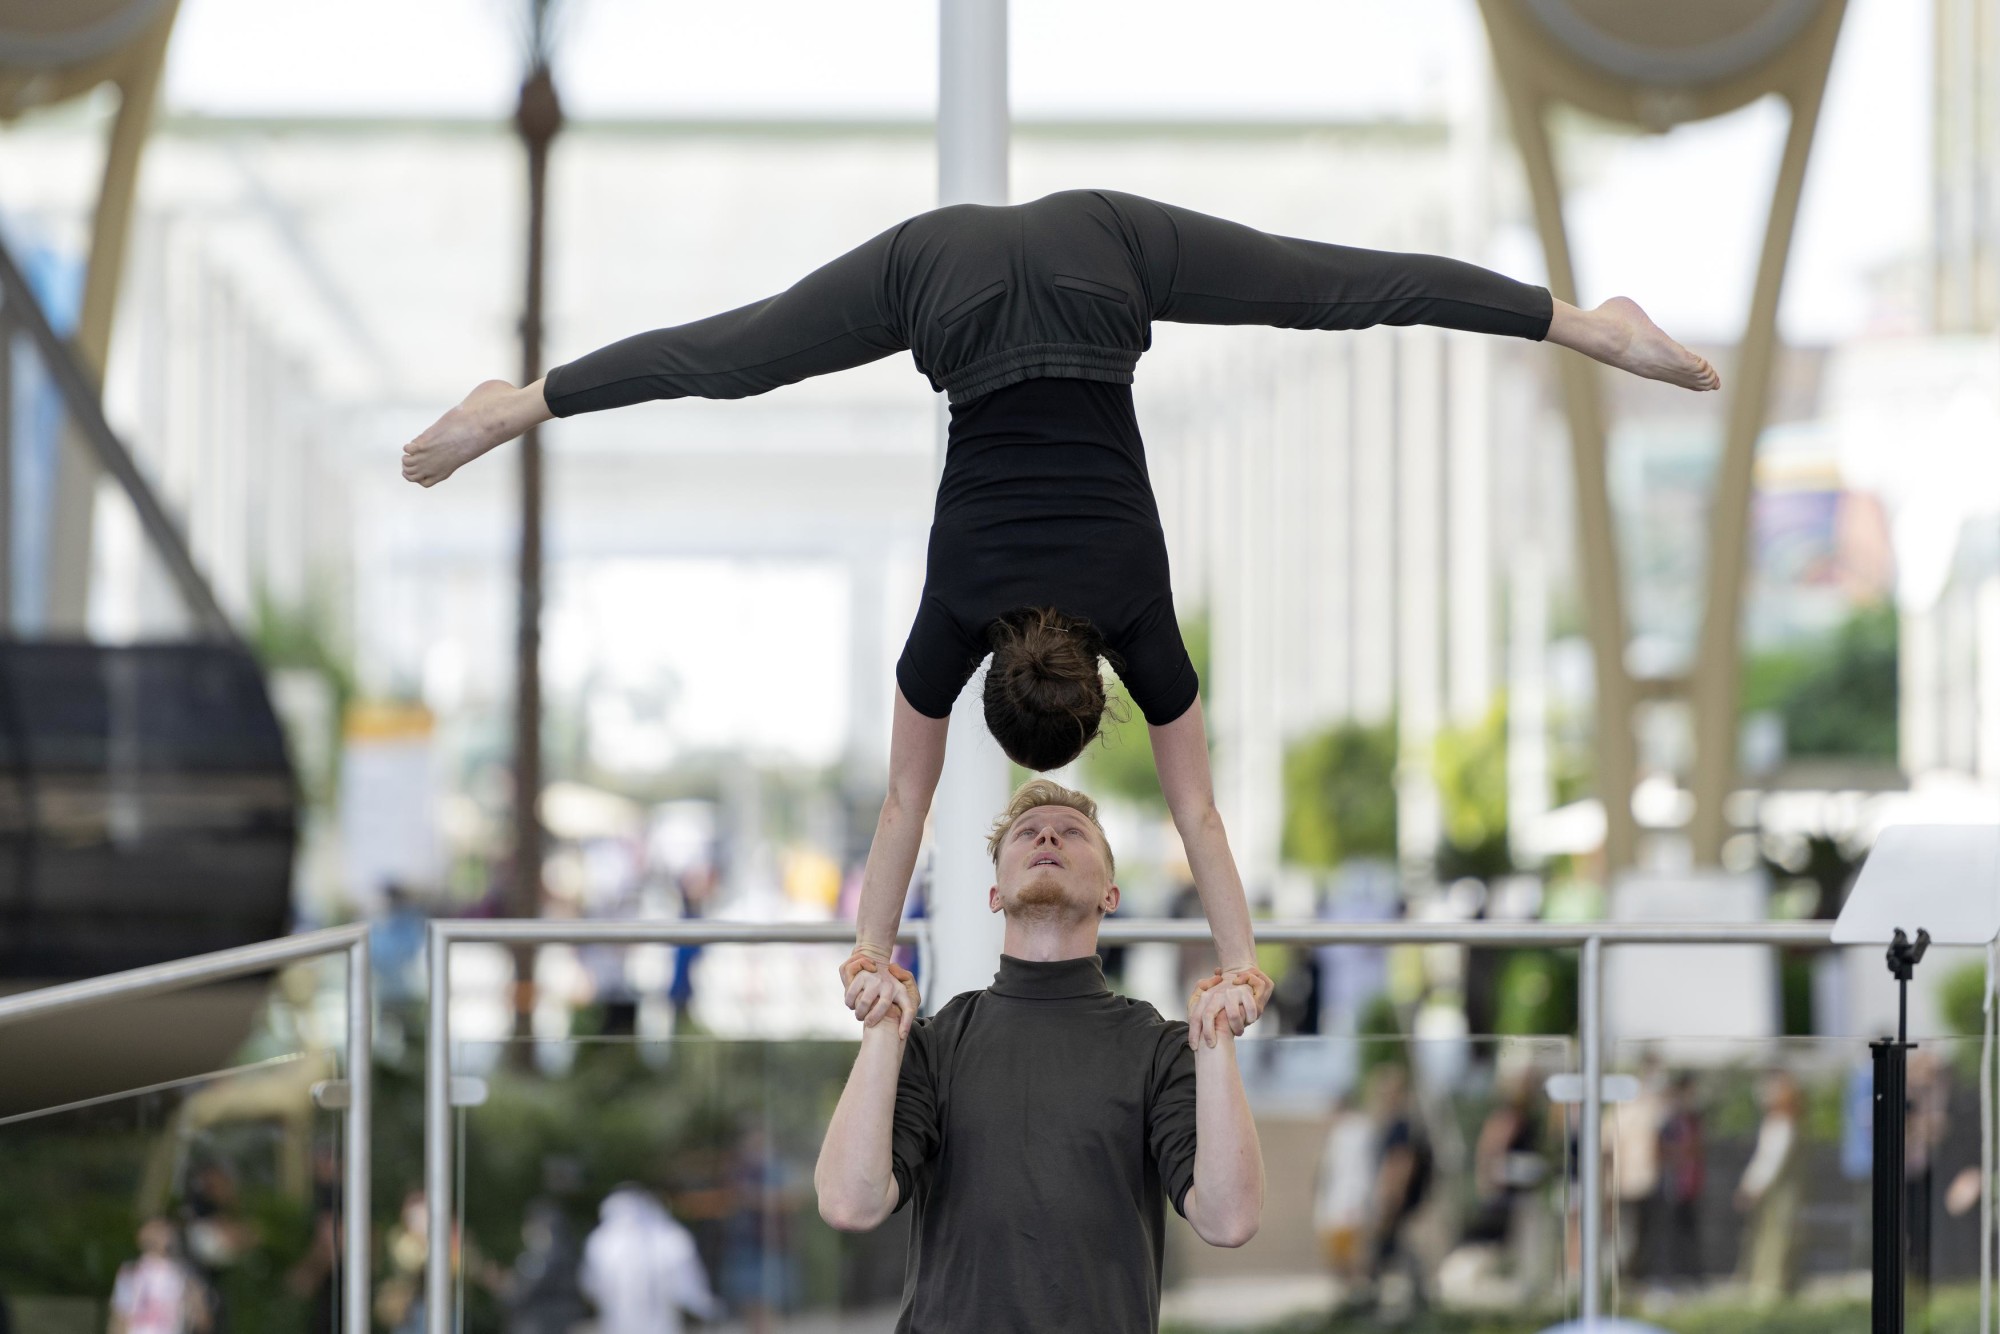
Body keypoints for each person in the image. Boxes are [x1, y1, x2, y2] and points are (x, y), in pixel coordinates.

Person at [403, 190, 1721, 1036]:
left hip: (1106, 266)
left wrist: (1242, 961)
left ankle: (1578, 325)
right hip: (952, 281)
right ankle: (522, 400)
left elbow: (1199, 813)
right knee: (745, 356)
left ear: (1095, 689)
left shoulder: (1140, 617)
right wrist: (870, 950)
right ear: (1001, 677)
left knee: (1326, 289)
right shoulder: (954, 614)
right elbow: (902, 809)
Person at [813, 778, 1265, 1332]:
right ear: (995, 894)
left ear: (1111, 895)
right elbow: (847, 1204)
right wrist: (883, 1029)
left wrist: (1216, 1035)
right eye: (1027, 833)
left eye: (1073, 833)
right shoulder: (934, 1041)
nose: (1048, 834)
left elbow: (1230, 1218)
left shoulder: (1159, 1046)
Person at [578, 1185, 724, 1334]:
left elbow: (591, 1285)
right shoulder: (602, 1240)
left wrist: (701, 1302)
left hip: (656, 1314)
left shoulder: (666, 1236)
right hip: (621, 1316)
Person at [1735, 1071, 1803, 1304]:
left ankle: (1771, 1286)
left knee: (1775, 1238)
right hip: (1773, 1192)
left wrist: (1753, 1187)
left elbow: (1769, 1162)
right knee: (1767, 1237)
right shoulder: (1778, 1122)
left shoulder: (1783, 1124)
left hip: (1777, 1193)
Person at [109, 1219, 209, 1334]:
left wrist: (196, 1306)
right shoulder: (131, 1273)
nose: (163, 1235)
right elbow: (120, 1316)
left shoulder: (183, 1274)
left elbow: (202, 1318)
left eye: (164, 1231)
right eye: (157, 1231)